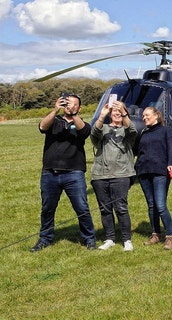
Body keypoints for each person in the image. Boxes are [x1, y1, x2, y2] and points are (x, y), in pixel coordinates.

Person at [30, 93, 97, 252]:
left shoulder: (82, 123)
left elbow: (83, 132)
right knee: (47, 208)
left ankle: (89, 239)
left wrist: (73, 115)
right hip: (50, 173)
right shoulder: (55, 120)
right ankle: (45, 239)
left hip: (74, 173)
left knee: (81, 207)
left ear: (79, 108)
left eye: (74, 104)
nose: (70, 106)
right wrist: (54, 111)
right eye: (68, 103)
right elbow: (42, 127)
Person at [90, 101, 137, 251]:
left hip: (121, 174)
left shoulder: (127, 132)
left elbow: (133, 130)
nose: (116, 113)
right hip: (100, 175)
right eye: (114, 112)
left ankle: (126, 240)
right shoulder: (103, 129)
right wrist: (102, 115)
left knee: (121, 207)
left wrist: (123, 111)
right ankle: (109, 238)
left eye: (120, 112)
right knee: (105, 209)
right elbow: (94, 134)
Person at [134, 107, 172, 250]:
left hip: (160, 172)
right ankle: (155, 234)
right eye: (143, 116)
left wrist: (171, 163)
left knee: (160, 205)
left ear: (156, 116)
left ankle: (170, 237)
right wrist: (135, 172)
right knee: (151, 205)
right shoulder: (144, 133)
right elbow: (140, 153)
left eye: (147, 115)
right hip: (144, 172)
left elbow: (171, 148)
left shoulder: (166, 130)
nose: (144, 118)